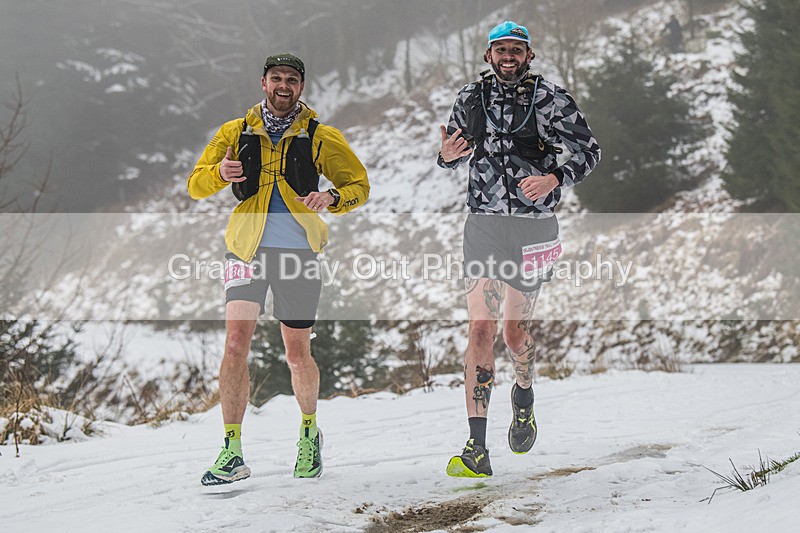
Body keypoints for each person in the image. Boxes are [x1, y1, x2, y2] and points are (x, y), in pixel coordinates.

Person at [188, 53, 369, 485]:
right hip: (245, 252)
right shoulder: (235, 132)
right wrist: (219, 172)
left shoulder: (322, 136)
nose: (283, 85)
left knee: (296, 351)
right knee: (235, 345)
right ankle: (232, 450)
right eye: (276, 78)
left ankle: (309, 433)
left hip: (297, 253)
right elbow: (196, 184)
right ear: (263, 83)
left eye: (291, 79)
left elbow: (358, 186)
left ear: (301, 87)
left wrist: (332, 199)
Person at [437, 21, 600, 477]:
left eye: (516, 49)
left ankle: (523, 393)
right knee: (480, 331)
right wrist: (447, 156)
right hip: (484, 224)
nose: (508, 56)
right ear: (488, 55)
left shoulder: (552, 98)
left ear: (529, 55)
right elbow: (452, 151)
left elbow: (589, 151)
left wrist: (555, 178)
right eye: (500, 49)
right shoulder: (471, 97)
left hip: (535, 227)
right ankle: (476, 447)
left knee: (513, 333)